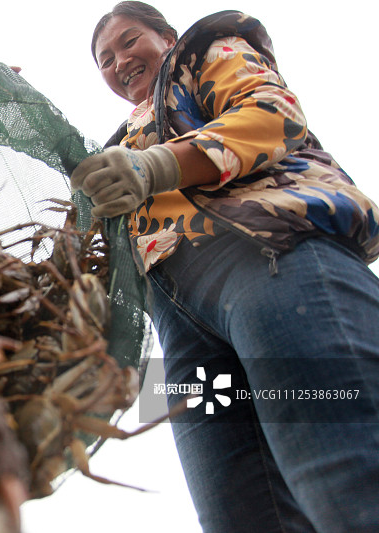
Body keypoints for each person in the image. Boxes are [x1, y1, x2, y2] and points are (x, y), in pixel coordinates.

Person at [71, 2, 379, 532]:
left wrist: (159, 164)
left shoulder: (202, 55)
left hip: (271, 258)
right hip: (181, 332)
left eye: (128, 42)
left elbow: (272, 112)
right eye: (104, 59)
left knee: (347, 471)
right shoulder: (118, 144)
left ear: (166, 36)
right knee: (237, 513)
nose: (118, 61)